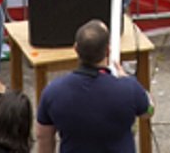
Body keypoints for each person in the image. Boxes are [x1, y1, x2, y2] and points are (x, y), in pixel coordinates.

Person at [33, 19, 150, 153]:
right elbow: (148, 111)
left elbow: (43, 137)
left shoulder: (53, 92)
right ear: (107, 50)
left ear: (76, 49)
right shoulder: (129, 88)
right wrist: (128, 81)